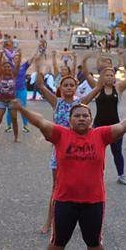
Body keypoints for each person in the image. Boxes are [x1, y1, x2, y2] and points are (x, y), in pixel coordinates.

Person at [13, 99, 126, 250]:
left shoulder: (100, 135)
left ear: (91, 120)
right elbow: (40, 122)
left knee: (94, 241)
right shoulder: (60, 134)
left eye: (85, 116)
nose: (81, 119)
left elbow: (124, 126)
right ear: (69, 121)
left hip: (94, 201)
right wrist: (21, 109)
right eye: (77, 116)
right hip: (64, 200)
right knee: (58, 240)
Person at [34, 71, 97, 234]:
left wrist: (103, 78)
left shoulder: (80, 103)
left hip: (79, 152)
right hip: (60, 152)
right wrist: (40, 68)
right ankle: (50, 221)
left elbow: (97, 90)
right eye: (65, 85)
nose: (69, 88)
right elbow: (40, 86)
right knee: (56, 187)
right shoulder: (57, 102)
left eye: (72, 85)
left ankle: (81, 219)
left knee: (80, 185)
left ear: (76, 87)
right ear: (60, 88)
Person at [82, 60, 126, 185]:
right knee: (96, 153)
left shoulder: (118, 88)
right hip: (98, 126)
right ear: (102, 77)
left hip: (115, 126)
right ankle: (94, 175)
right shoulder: (97, 87)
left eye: (111, 75)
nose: (110, 77)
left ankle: (121, 175)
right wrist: (85, 61)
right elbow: (86, 74)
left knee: (117, 152)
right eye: (107, 75)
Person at [4, 51, 37, 133]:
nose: (17, 59)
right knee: (10, 109)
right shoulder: (10, 67)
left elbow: (32, 58)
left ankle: (25, 126)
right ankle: (9, 126)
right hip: (12, 92)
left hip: (22, 90)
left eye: (18, 58)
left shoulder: (24, 66)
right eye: (15, 58)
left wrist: (37, 50)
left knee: (23, 109)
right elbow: (3, 60)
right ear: (13, 59)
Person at [0, 57, 21, 142]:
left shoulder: (14, 76)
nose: (7, 68)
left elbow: (18, 66)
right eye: (6, 66)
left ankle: (16, 137)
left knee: (14, 119)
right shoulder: (0, 75)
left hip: (12, 101)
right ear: (3, 68)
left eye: (9, 66)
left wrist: (20, 55)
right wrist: (0, 55)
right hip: (1, 101)